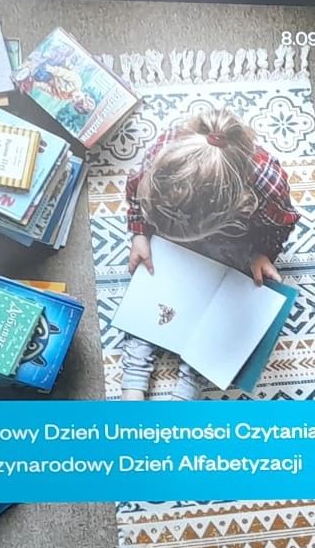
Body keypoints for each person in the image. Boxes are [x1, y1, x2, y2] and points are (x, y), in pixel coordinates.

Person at [119, 106, 299, 400]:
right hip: (170, 241)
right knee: (154, 290)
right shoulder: (165, 151)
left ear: (239, 204)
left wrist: (261, 253)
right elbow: (135, 192)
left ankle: (191, 380)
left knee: (229, 311)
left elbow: (281, 224)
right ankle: (135, 376)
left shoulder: (267, 183)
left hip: (235, 243)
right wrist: (140, 232)